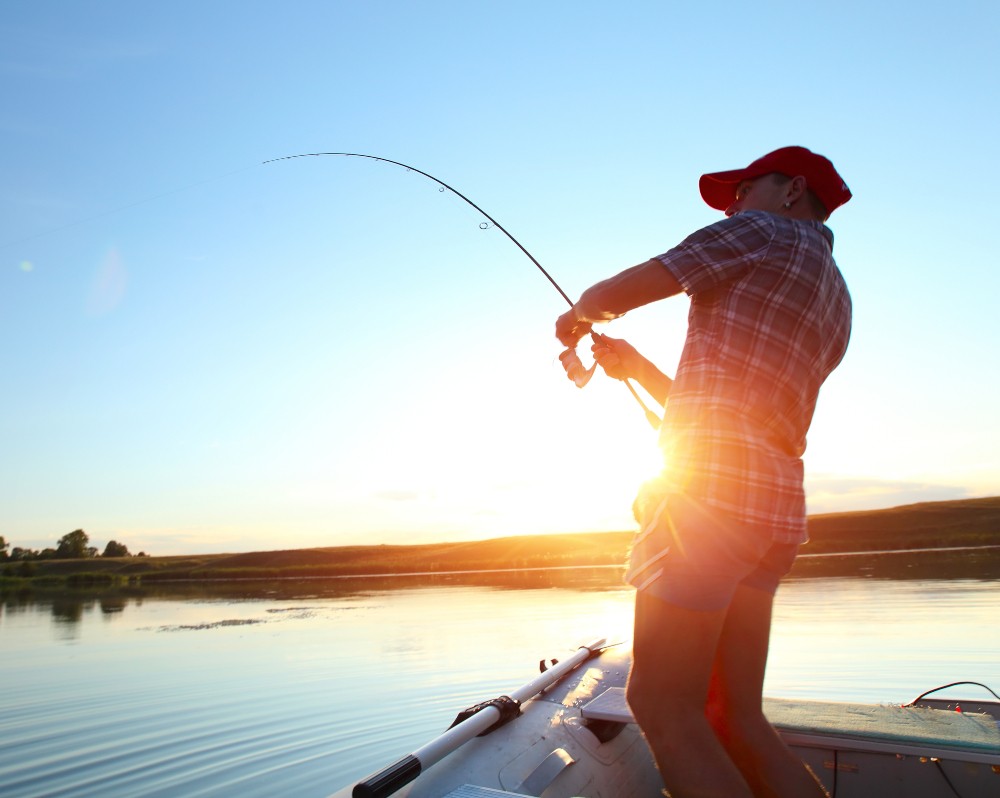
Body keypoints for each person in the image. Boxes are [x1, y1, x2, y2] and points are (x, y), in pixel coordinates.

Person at [555, 146, 852, 798]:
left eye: (743, 189)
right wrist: (635, 369)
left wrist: (580, 313)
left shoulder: (761, 230)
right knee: (736, 716)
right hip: (772, 513)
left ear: (792, 190)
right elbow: (736, 411)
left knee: (664, 704)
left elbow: (612, 296)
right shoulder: (837, 294)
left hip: (708, 504)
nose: (733, 205)